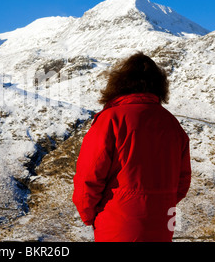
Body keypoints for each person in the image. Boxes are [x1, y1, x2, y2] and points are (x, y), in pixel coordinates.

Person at [72, 52, 191, 242]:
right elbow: (182, 182)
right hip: (162, 225)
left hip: (117, 225)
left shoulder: (111, 120)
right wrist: (158, 205)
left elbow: (89, 176)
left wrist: (89, 216)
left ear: (119, 84)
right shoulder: (172, 124)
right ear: (159, 86)